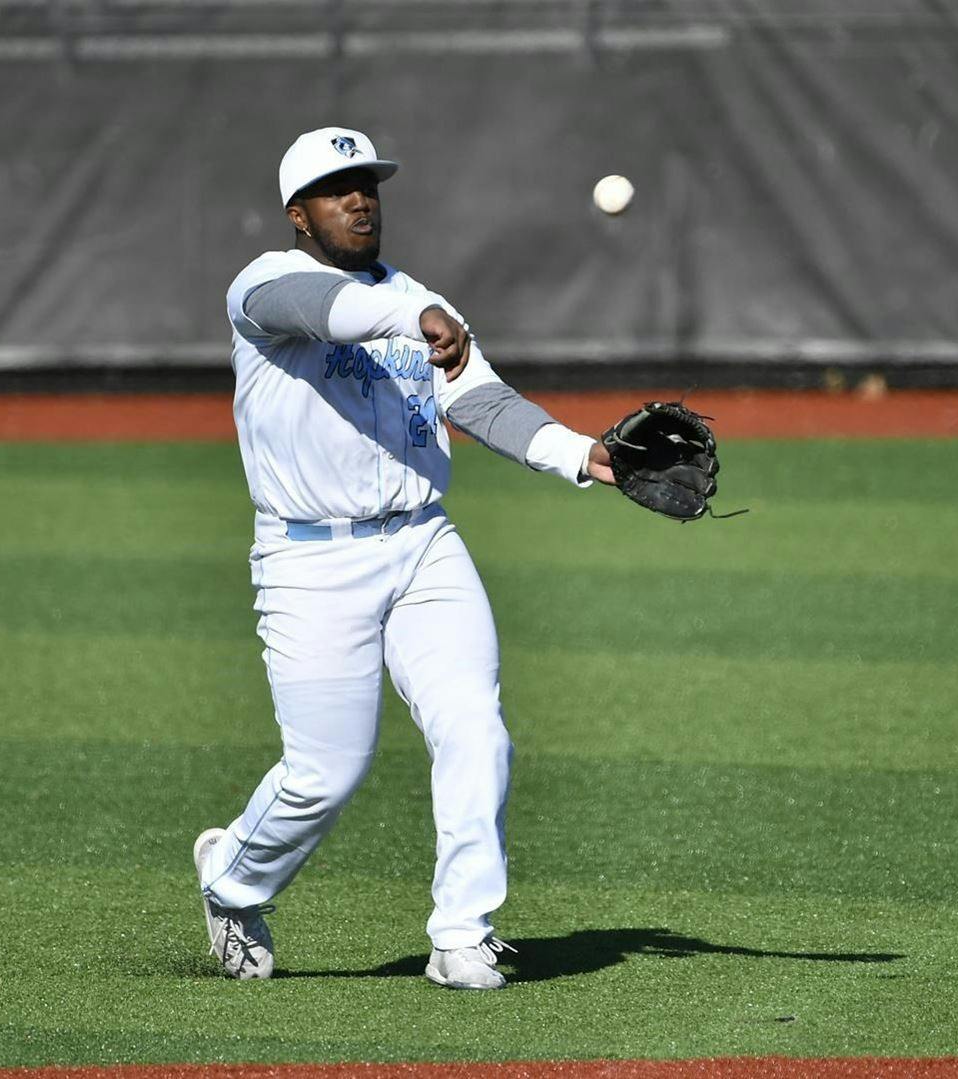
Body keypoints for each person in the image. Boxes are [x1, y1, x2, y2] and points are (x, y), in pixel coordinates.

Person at [193, 126, 615, 990]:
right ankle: (232, 880)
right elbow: (330, 312)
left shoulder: (420, 299)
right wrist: (419, 317)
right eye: (336, 186)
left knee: (475, 727)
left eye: (368, 182)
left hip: (424, 544)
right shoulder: (264, 289)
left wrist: (583, 455)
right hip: (311, 562)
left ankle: (463, 931)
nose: (359, 197)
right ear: (298, 214)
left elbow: (482, 398)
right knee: (324, 772)